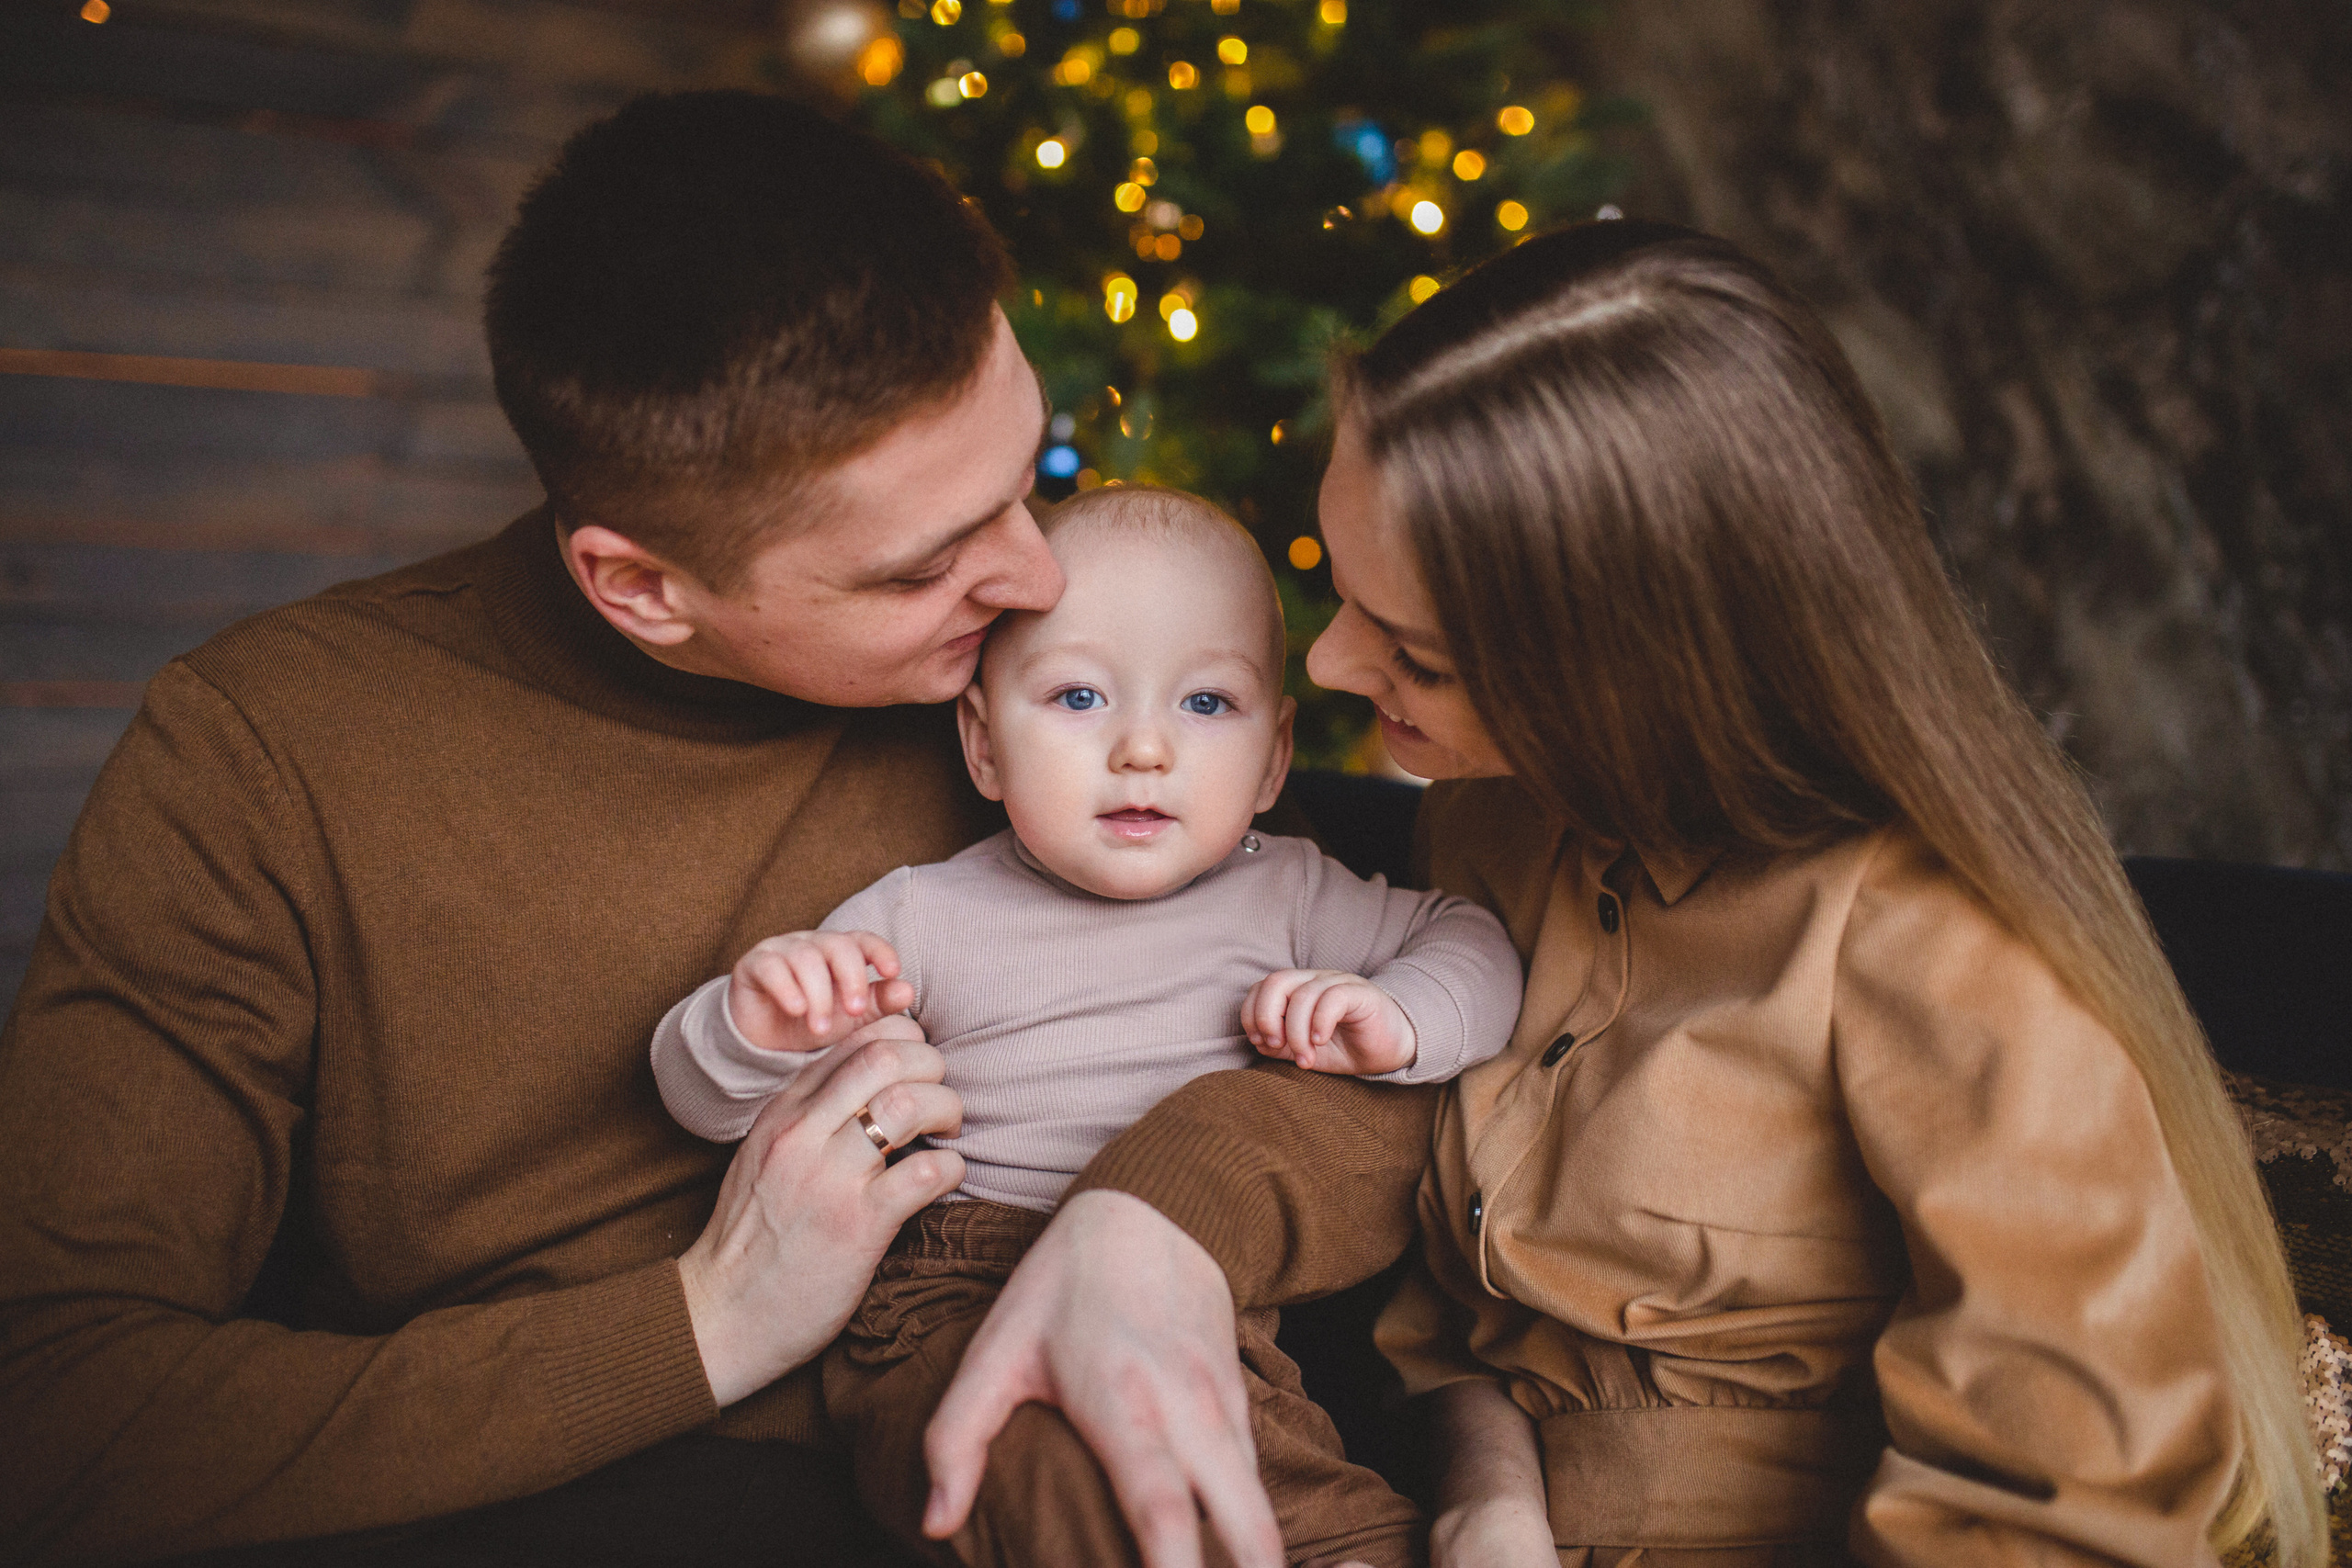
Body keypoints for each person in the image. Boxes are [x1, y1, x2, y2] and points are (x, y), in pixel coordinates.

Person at [0, 93, 1426, 1568]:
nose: (1026, 578)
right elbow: (54, 1412)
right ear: (643, 587)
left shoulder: (1079, 704)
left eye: (1033, 478)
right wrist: (710, 1316)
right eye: (928, 563)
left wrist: (1161, 1214)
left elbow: (1395, 1028)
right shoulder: (263, 754)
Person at [1286, 220, 2323, 1565]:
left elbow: (2062, 1519)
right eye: (1339, 590)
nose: (1321, 663)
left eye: (1414, 653)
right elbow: (1457, 1301)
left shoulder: (1939, 946)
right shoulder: (1491, 824)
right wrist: (1494, 1496)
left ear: (1636, 667)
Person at [650, 487, 1524, 1567]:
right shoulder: (925, 915)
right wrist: (755, 1023)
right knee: (1052, 1471)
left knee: (1294, 1498)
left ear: (1272, 760)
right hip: (956, 1289)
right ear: (981, 745)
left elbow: (1478, 949)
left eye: (1206, 705)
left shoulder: (1293, 892)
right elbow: (697, 1099)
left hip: (1204, 1290)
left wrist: (1399, 1016)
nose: (1143, 749)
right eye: (1077, 697)